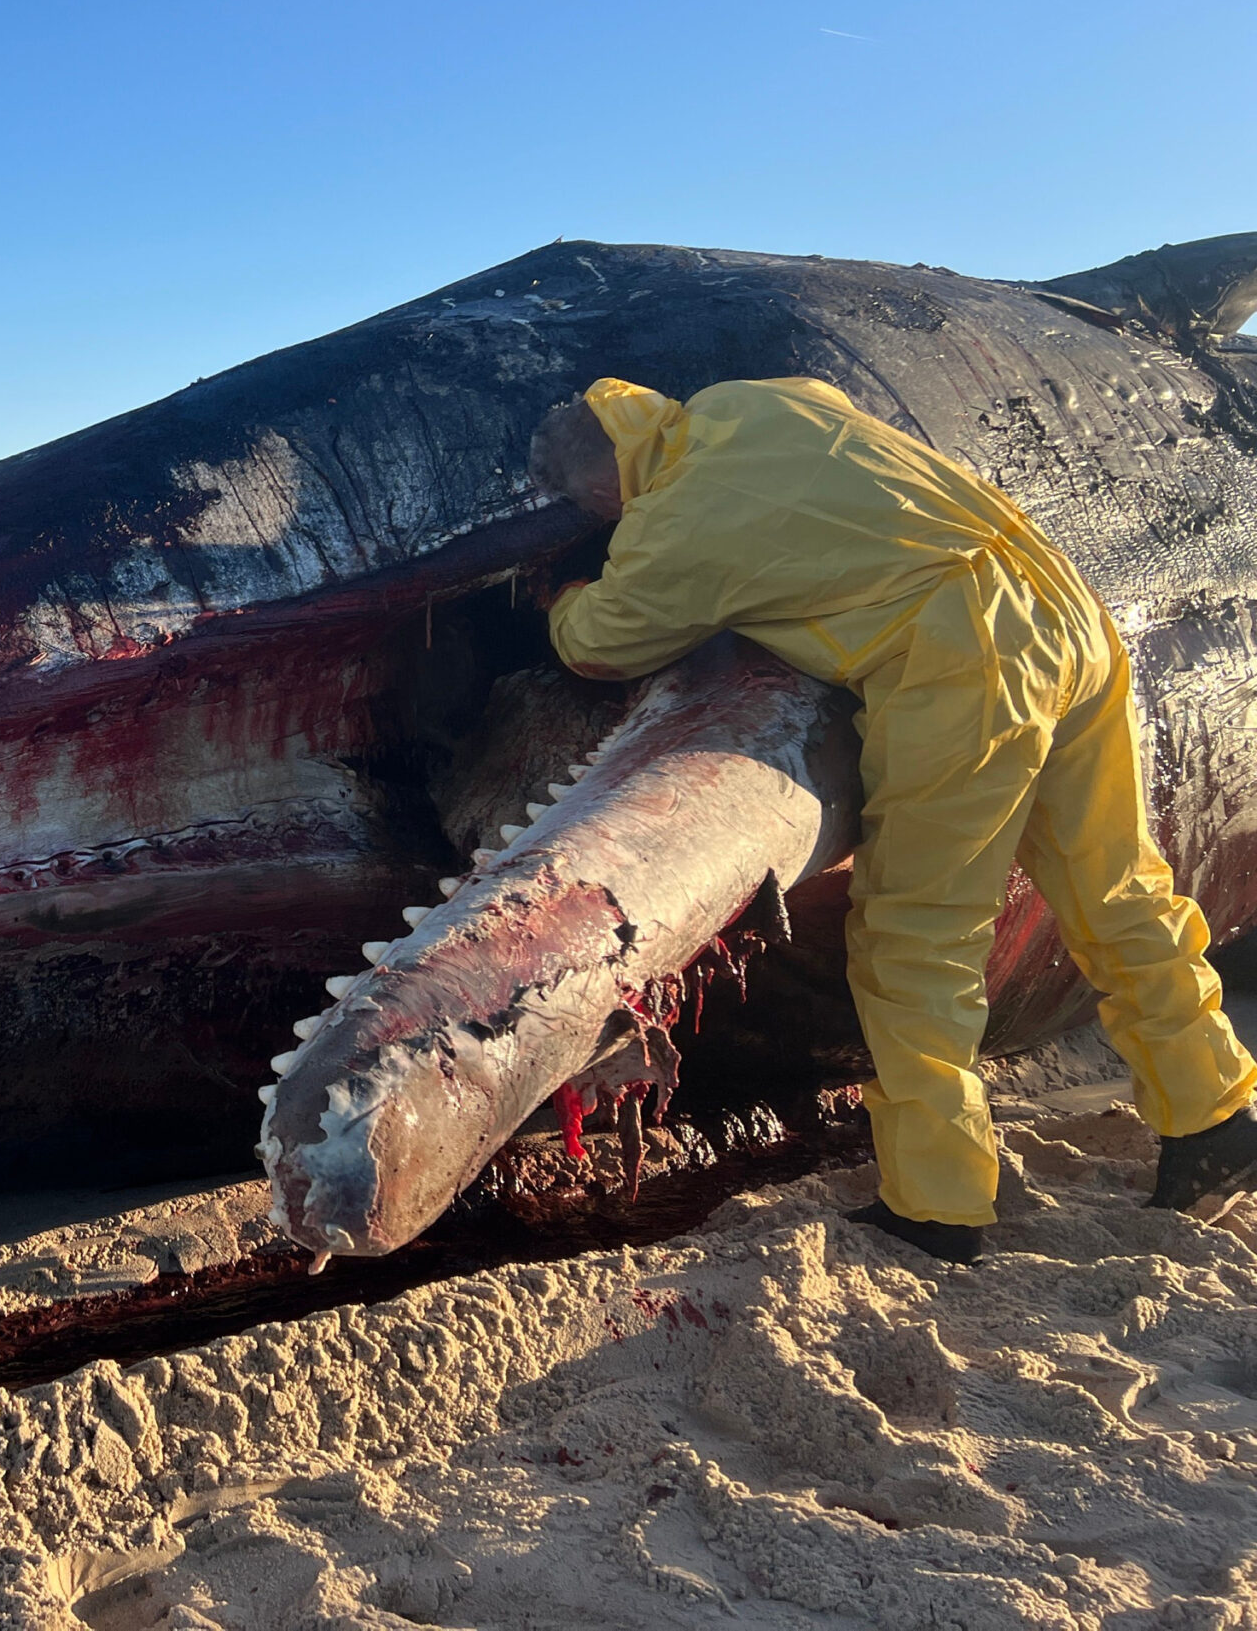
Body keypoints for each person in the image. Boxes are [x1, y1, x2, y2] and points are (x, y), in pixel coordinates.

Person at [527, 375, 1257, 1265]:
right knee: (1117, 888)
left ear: (601, 486)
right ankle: (1215, 1112)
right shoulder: (749, 400)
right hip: (1062, 605)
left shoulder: (672, 519)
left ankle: (938, 1203)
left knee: (916, 938)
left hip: (966, 657)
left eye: (584, 499)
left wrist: (555, 596)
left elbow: (601, 641)